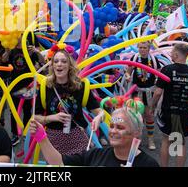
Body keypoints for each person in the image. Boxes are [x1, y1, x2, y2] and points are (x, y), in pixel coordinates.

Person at [34, 46, 105, 155]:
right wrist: (52, 117)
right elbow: (35, 117)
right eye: (56, 61)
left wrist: (99, 118)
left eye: (64, 61)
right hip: (53, 139)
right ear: (52, 65)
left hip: (78, 137)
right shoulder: (45, 86)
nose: (59, 64)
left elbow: (100, 112)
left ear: (70, 66)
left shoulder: (81, 86)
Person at [30, 107, 159, 167]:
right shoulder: (95, 155)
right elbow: (58, 162)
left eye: (120, 128)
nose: (113, 131)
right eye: (112, 125)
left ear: (136, 132)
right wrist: (42, 137)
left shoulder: (148, 164)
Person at [151, 44, 188, 167]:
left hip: (168, 111)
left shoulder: (167, 69)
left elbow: (158, 92)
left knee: (166, 140)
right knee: (179, 143)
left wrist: (152, 106)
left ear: (176, 54)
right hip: (184, 112)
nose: (170, 55)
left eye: (172, 53)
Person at [3, 37, 45, 146]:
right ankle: (15, 134)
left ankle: (27, 133)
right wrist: (7, 51)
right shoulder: (12, 50)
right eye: (18, 37)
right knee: (14, 111)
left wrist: (36, 52)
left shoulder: (30, 50)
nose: (19, 39)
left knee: (27, 110)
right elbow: (4, 60)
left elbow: (42, 61)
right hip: (14, 85)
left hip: (29, 85)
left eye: (21, 37)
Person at [125, 41, 161, 150]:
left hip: (149, 92)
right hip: (137, 92)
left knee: (149, 115)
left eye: (145, 47)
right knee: (136, 117)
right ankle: (137, 139)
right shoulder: (134, 58)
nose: (142, 49)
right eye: (140, 47)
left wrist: (157, 86)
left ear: (149, 48)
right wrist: (127, 77)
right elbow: (128, 72)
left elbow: (159, 75)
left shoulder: (154, 60)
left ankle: (150, 140)